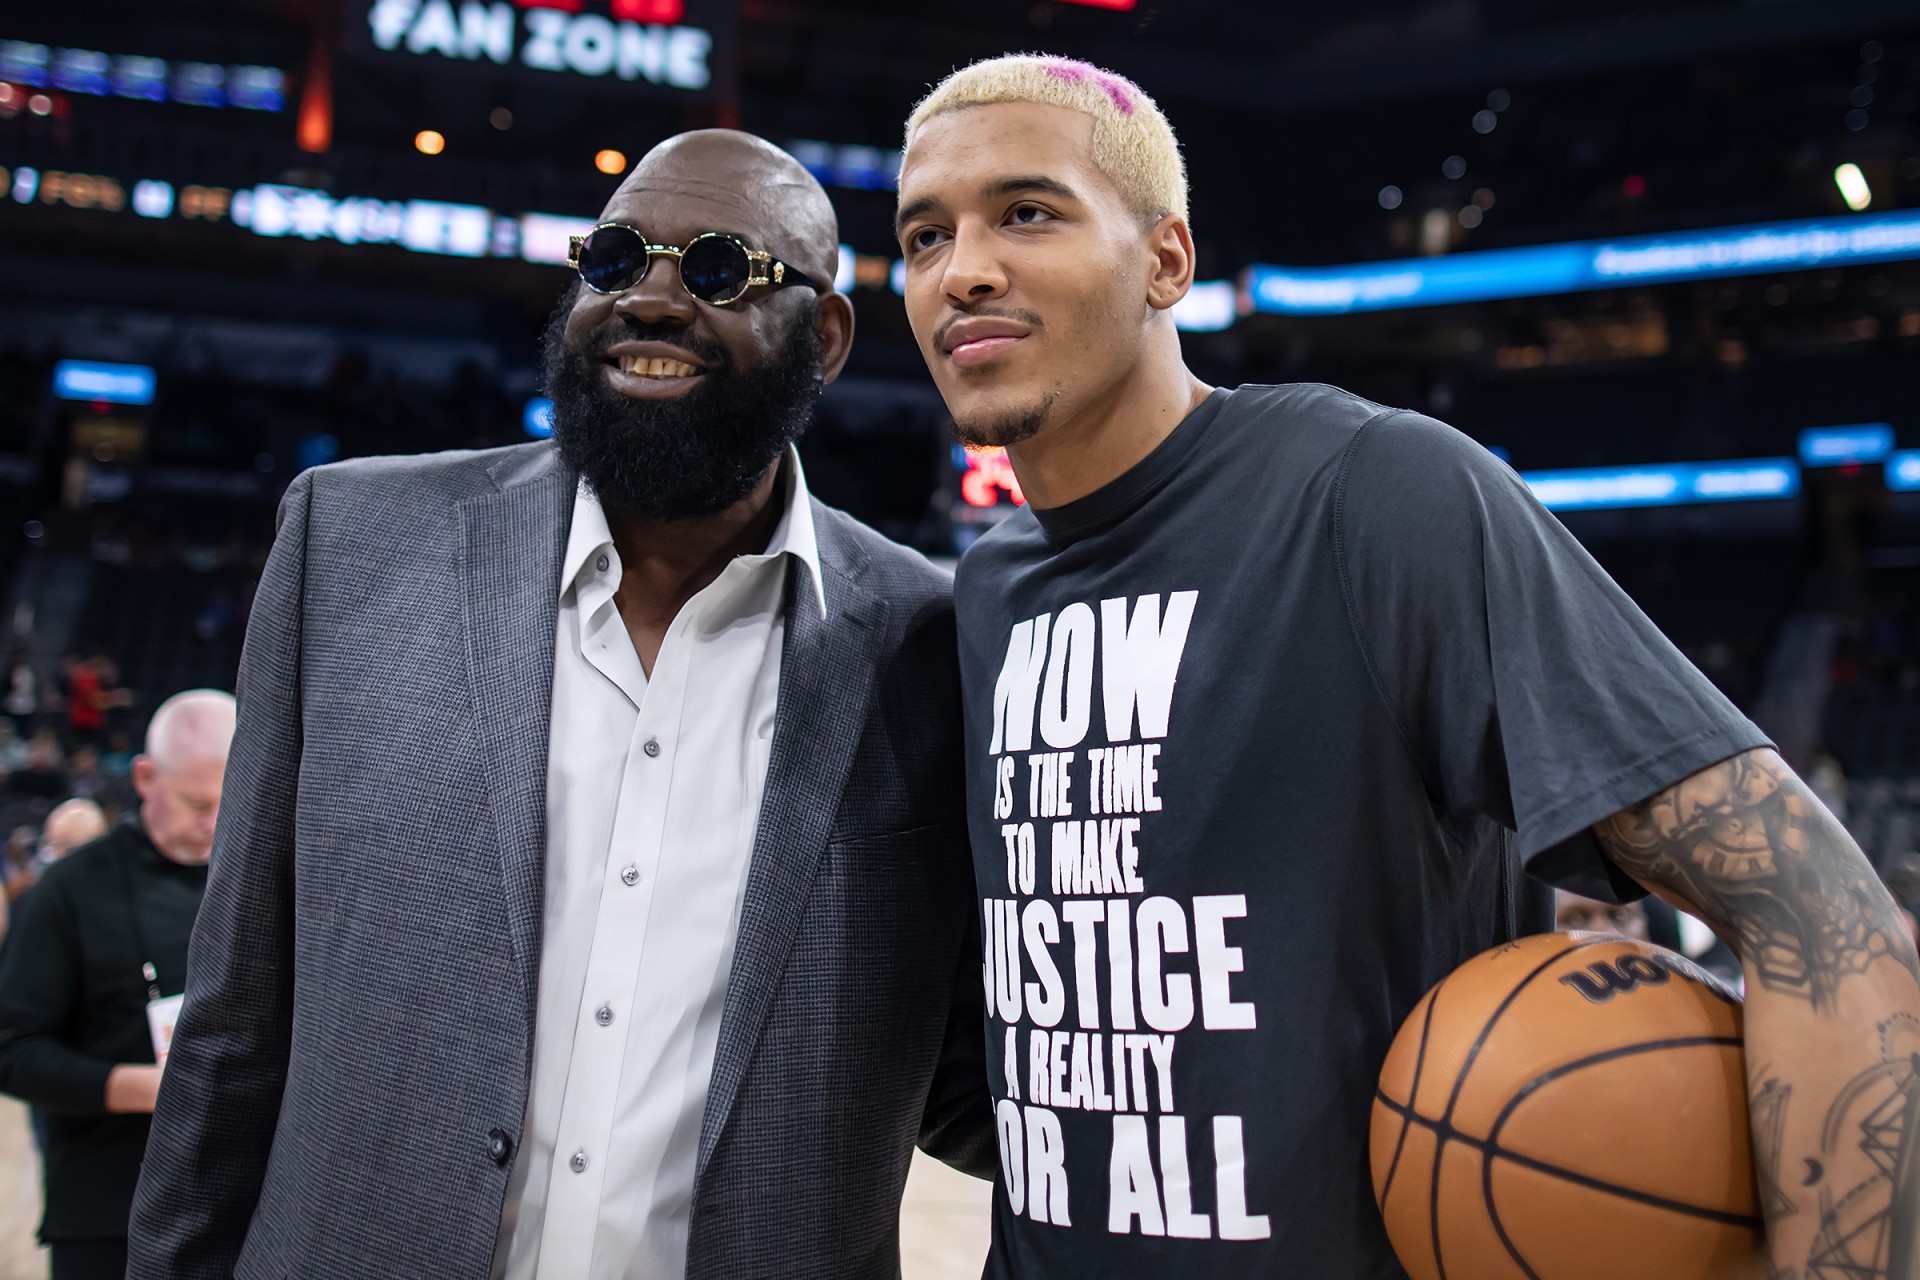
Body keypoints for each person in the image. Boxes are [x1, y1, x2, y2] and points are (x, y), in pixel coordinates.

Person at [893, 55, 1920, 1278]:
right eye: (923, 235)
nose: (962, 270)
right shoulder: (984, 595)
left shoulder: (1373, 494)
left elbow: (1823, 911)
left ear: (1167, 260)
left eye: (1026, 212)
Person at [129, 130, 989, 1280]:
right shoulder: (349, 544)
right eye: (615, 258)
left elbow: (967, 1074)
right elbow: (234, 1024)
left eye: (719, 269)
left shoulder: (930, 640)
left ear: (825, 338)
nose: (652, 299)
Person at [0, 690, 234, 1280]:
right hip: (108, 1206)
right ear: (146, 777)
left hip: (241, 1200)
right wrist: (147, 1088)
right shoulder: (72, 890)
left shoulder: (264, 879)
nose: (214, 823)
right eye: (196, 804)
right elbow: (13, 1049)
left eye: (230, 800)